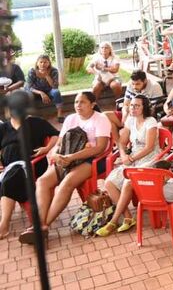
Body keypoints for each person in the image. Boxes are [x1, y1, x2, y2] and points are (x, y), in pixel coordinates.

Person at [20, 92, 112, 244]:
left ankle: (42, 226)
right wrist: (56, 155)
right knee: (42, 181)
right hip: (66, 157)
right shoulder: (70, 118)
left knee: (66, 184)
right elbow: (60, 143)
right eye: (76, 102)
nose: (78, 105)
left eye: (82, 102)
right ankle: (39, 225)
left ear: (92, 104)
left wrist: (71, 158)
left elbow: (100, 148)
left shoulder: (101, 119)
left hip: (90, 159)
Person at [94, 95, 159, 236]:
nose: (133, 108)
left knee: (128, 181)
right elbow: (121, 142)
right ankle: (128, 217)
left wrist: (131, 158)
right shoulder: (130, 120)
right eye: (131, 105)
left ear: (144, 108)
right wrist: (123, 155)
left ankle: (114, 221)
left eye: (137, 106)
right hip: (132, 158)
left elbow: (149, 147)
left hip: (150, 159)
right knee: (109, 182)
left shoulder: (151, 122)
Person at [0, 109, 58, 239]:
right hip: (10, 168)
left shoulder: (36, 122)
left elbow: (55, 135)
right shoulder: (3, 128)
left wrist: (47, 148)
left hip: (31, 165)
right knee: (10, 178)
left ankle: (3, 226)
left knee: (9, 180)